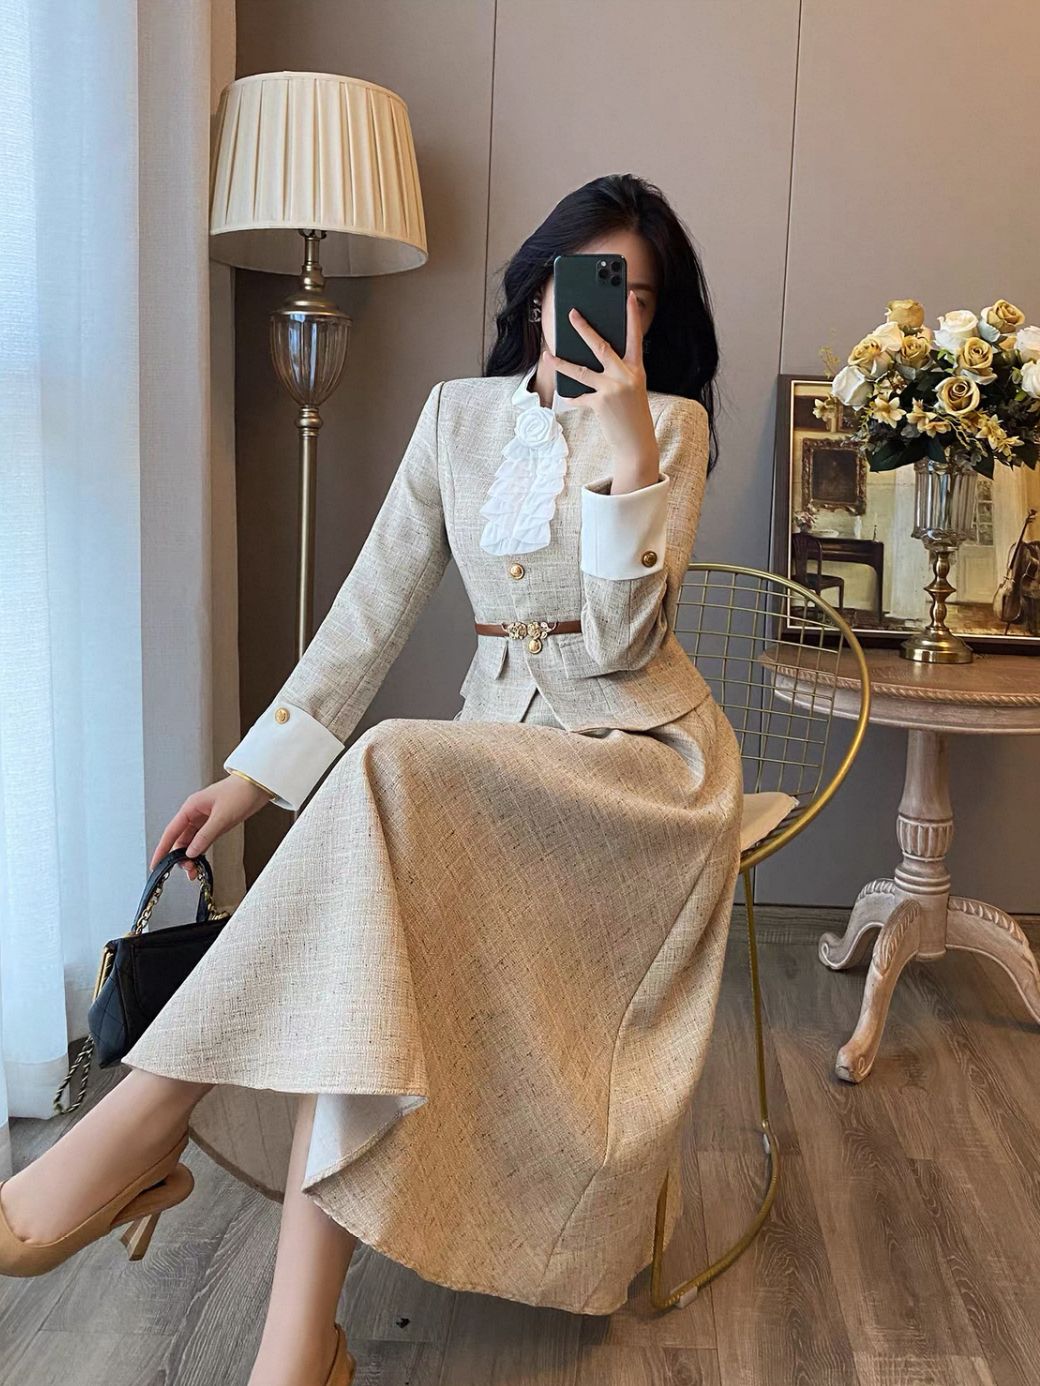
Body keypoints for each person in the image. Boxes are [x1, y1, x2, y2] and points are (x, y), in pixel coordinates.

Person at [0, 173, 745, 1386]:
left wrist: (623, 460)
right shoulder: (457, 417)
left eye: (639, 299)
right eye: (586, 286)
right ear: (535, 290)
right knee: (369, 917)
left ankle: (141, 1121)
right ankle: (299, 1351)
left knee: (395, 767)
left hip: (636, 778)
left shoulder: (670, 430)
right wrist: (247, 784)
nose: (609, 317)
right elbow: (368, 613)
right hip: (485, 772)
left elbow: (620, 649)